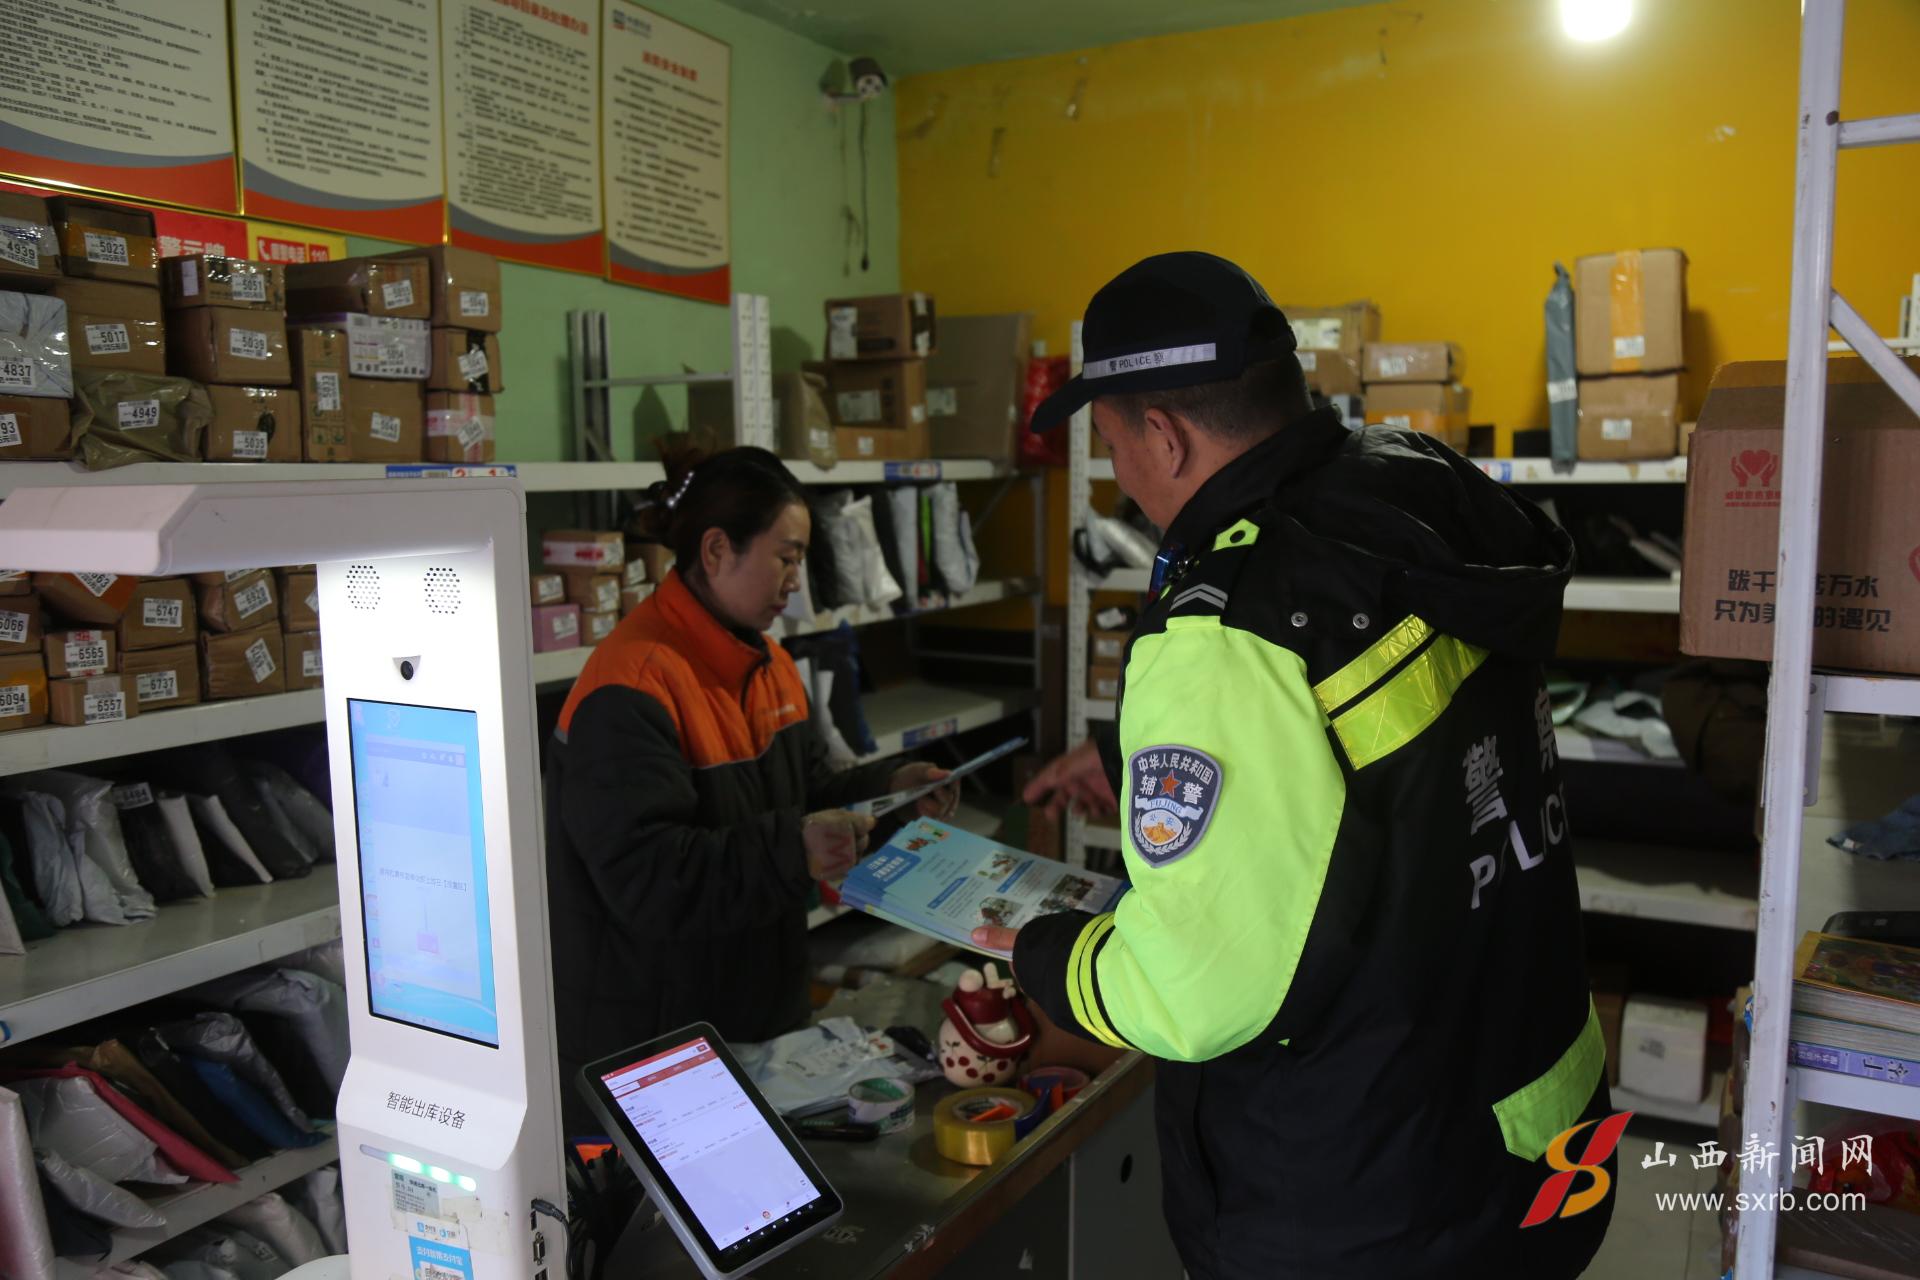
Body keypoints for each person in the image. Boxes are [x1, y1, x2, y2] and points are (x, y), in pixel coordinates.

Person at [974, 253, 1613, 1278]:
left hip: (1365, 1197)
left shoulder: (1227, 623)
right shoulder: (1413, 492)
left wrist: (1041, 949)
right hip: (1529, 1125)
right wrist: (1129, 755)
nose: (1120, 475)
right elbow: (1371, 740)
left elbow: (1191, 993)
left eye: (1113, 442)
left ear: (1165, 436)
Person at [545, 446, 955, 1134]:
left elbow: (810, 795)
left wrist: (892, 791)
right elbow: (649, 878)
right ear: (716, 550)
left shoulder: (769, 664)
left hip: (757, 1023)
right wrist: (794, 850)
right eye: (785, 558)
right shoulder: (631, 687)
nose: (796, 581)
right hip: (656, 1052)